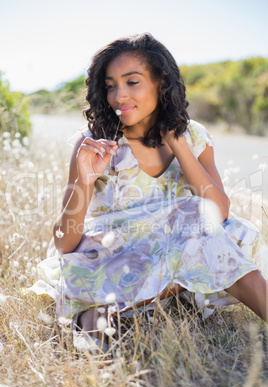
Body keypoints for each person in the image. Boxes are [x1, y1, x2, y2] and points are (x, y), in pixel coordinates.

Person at [31, 33, 268, 353]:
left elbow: (219, 212)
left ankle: (109, 307)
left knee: (205, 219)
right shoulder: (93, 141)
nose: (118, 95)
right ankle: (95, 323)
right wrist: (85, 180)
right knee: (189, 220)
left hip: (177, 252)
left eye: (132, 82)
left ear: (161, 83)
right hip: (116, 255)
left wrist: (179, 145)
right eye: (111, 84)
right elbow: (65, 243)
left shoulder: (194, 136)